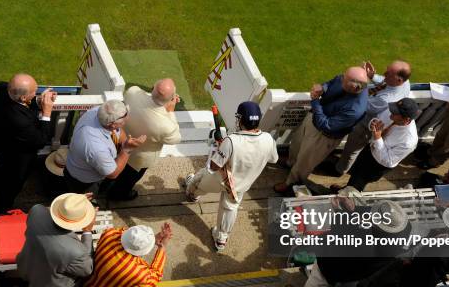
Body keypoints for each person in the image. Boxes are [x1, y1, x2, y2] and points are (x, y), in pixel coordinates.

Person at [184, 102, 278, 250]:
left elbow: (214, 166)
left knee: (200, 178)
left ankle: (192, 195)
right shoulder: (268, 139)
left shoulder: (231, 141)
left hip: (221, 180)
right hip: (241, 185)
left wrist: (221, 147)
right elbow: (274, 159)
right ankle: (221, 239)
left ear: (240, 119)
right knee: (230, 207)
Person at [285, 199, 408, 287]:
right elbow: (369, 213)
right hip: (357, 274)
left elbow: (336, 238)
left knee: (316, 284)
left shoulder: (365, 245)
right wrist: (353, 209)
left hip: (332, 266)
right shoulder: (403, 232)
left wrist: (339, 212)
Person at [274, 66, 369, 194]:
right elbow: (331, 83)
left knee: (304, 163)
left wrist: (315, 101)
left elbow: (326, 125)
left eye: (344, 80)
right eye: (343, 76)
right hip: (313, 119)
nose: (341, 80)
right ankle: (290, 163)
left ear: (356, 87)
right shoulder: (347, 79)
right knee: (296, 144)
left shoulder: (355, 109)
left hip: (323, 137)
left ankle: (290, 183)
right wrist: (322, 87)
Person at [16, 193, 96, 287]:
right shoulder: (77, 252)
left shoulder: (36, 211)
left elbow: (46, 211)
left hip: (28, 265)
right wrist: (87, 232)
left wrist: (71, 204)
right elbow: (87, 269)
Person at [0, 73, 57, 213]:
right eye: (34, 93)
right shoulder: (20, 121)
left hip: (1, 145)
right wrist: (47, 112)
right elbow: (40, 140)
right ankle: (2, 209)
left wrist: (38, 101)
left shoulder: (2, 89)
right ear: (23, 97)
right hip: (17, 159)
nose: (36, 94)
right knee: (12, 186)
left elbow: (23, 104)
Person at [334, 60, 412, 175]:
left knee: (351, 150)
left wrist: (360, 81)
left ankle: (339, 170)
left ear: (399, 80)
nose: (384, 73)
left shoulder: (386, 99)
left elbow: (362, 104)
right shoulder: (404, 82)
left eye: (389, 73)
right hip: (371, 121)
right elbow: (385, 82)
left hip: (365, 126)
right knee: (353, 149)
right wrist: (372, 76)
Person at [81, 223, 171, 287]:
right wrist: (162, 248)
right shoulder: (139, 274)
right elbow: (155, 277)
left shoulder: (109, 234)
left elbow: (124, 234)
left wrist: (150, 239)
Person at [111, 79, 182, 200]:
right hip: (138, 159)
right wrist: (170, 111)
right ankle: (118, 195)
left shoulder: (133, 92)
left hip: (118, 142)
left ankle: (104, 186)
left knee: (112, 167)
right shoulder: (167, 126)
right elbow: (176, 139)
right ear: (171, 99)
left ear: (152, 86)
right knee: (127, 180)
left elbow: (144, 96)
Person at [64, 100, 146, 197]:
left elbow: (118, 131)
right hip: (85, 182)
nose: (128, 118)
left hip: (80, 166)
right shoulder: (96, 148)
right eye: (125, 118)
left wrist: (124, 142)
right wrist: (127, 150)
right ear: (112, 124)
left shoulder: (98, 112)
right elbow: (113, 174)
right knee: (83, 202)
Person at [341, 98, 420, 191]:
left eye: (395, 113)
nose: (391, 112)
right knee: (355, 171)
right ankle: (345, 188)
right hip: (369, 149)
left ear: (406, 119)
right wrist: (372, 124)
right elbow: (378, 119)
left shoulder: (409, 141)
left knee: (359, 181)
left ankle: (347, 196)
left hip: (377, 165)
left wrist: (378, 138)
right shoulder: (392, 113)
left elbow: (388, 160)